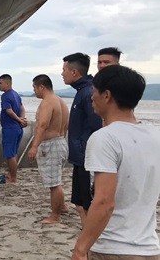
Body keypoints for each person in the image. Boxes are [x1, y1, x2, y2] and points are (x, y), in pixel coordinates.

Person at [72, 65, 160, 260]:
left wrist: (80, 249)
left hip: (114, 248)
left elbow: (104, 201)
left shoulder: (104, 138)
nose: (91, 97)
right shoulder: (155, 135)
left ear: (107, 95)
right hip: (150, 247)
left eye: (94, 91)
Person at [62, 52, 102, 226]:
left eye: (64, 69)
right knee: (79, 202)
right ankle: (86, 233)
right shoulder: (81, 91)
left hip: (87, 157)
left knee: (87, 201)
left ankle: (91, 237)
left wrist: (85, 150)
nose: (62, 73)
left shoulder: (88, 93)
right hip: (79, 157)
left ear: (74, 72)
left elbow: (96, 126)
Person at [27, 74, 69, 224]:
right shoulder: (60, 101)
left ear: (41, 87)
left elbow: (43, 125)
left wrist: (34, 146)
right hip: (61, 142)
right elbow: (66, 126)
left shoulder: (48, 102)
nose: (34, 90)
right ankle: (62, 206)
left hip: (52, 144)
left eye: (34, 87)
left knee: (53, 183)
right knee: (56, 179)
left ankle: (55, 216)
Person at [0, 74, 27, 183]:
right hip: (17, 129)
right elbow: (22, 109)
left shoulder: (6, 96)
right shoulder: (16, 95)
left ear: (7, 83)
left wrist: (20, 120)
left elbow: (9, 111)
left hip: (10, 128)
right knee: (14, 153)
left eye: (0, 83)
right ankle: (11, 174)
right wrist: (22, 119)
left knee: (10, 154)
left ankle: (13, 177)